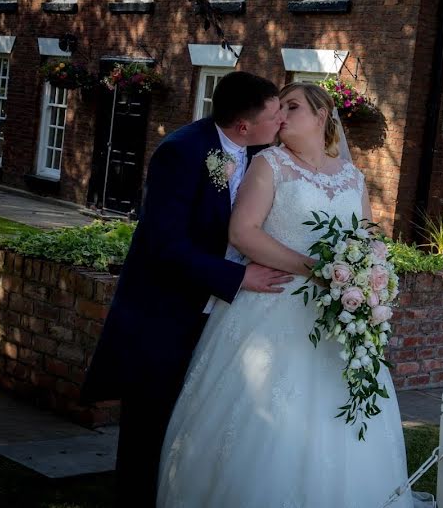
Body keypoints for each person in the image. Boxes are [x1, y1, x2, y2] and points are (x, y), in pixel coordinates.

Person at [156, 82, 419, 507]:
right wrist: (316, 270)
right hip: (272, 303)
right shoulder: (270, 165)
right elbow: (242, 233)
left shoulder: (353, 177)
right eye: (278, 109)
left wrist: (369, 276)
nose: (281, 117)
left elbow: (369, 239)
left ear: (321, 116)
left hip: (338, 315)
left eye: (292, 107)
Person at [80, 72, 294, 508]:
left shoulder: (256, 152)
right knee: (148, 424)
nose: (282, 122)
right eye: (275, 115)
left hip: (216, 314)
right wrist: (237, 278)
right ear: (243, 126)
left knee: (192, 418)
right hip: (164, 313)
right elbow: (164, 246)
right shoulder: (181, 152)